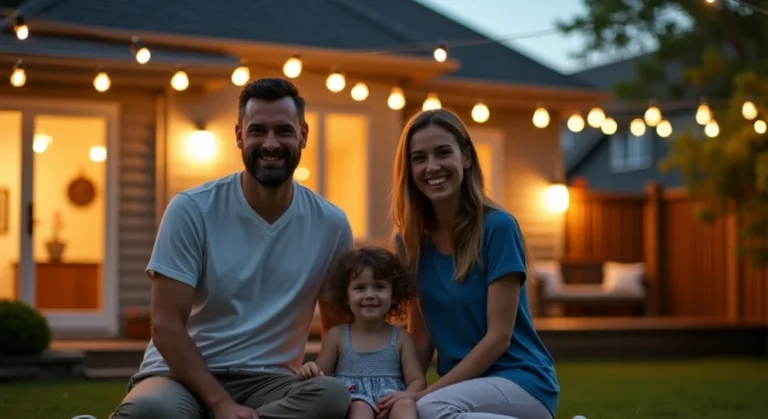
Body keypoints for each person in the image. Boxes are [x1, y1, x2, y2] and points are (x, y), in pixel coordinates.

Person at [109, 78, 353, 419]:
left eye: (283, 130)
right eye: (258, 131)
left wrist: (325, 373)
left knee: (330, 396)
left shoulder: (331, 224)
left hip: (271, 381)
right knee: (151, 409)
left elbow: (336, 329)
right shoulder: (192, 209)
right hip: (181, 375)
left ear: (303, 135)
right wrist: (220, 403)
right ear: (239, 135)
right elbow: (165, 324)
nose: (270, 144)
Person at [384, 108, 560, 419]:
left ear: (466, 157)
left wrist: (424, 395)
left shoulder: (498, 228)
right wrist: (402, 391)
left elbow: (498, 339)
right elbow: (421, 335)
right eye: (419, 157)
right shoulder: (409, 242)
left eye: (443, 153)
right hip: (465, 389)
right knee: (407, 409)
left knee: (429, 409)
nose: (432, 166)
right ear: (409, 168)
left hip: (521, 380)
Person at [294, 246, 425, 419]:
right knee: (361, 407)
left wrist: (405, 395)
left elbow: (417, 380)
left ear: (394, 295)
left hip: (390, 403)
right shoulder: (338, 336)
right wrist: (310, 370)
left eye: (379, 287)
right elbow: (322, 375)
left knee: (406, 405)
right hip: (353, 405)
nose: (370, 295)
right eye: (360, 288)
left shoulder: (401, 338)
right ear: (346, 297)